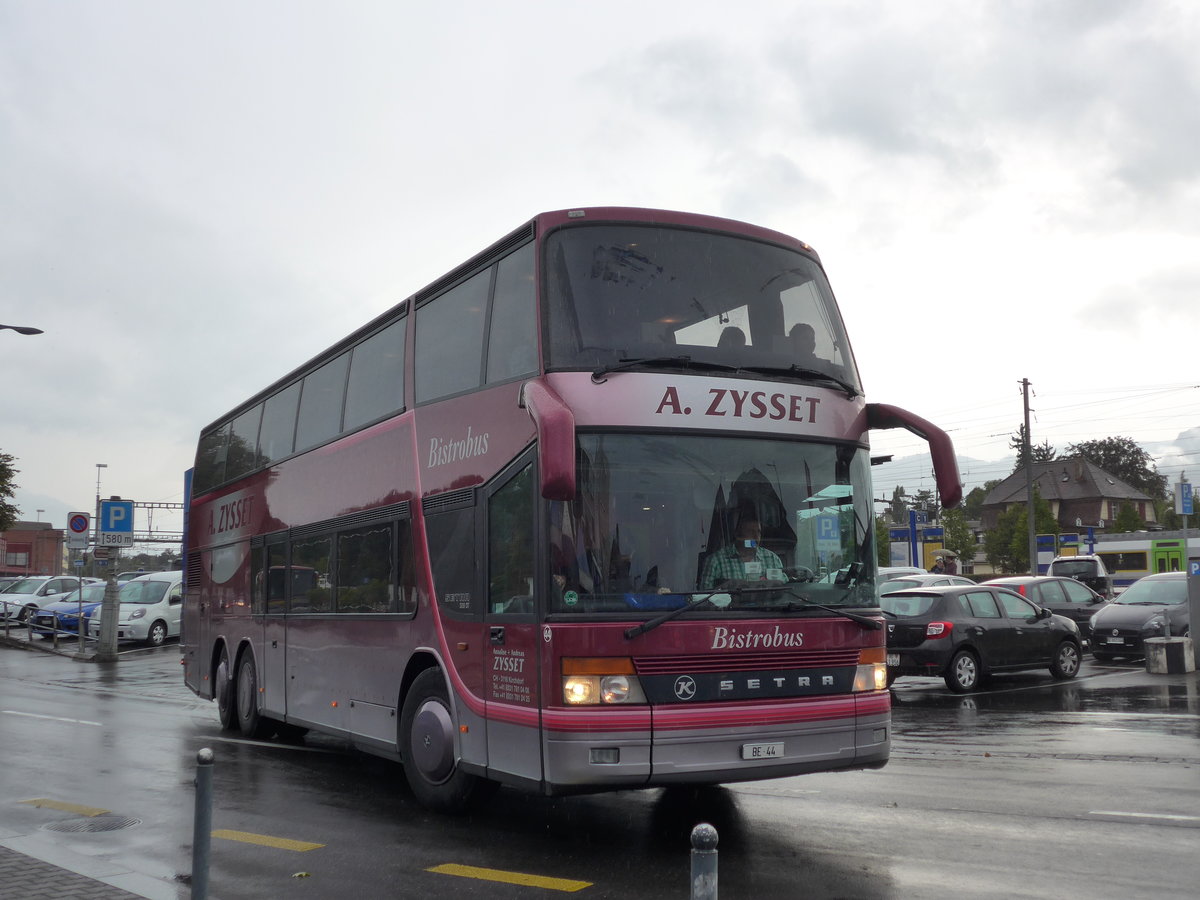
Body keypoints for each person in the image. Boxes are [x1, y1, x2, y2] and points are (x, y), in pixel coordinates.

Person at [700, 517, 785, 589]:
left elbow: (784, 585)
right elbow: (704, 596)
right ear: (738, 535)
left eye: (758, 532)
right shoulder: (715, 561)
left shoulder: (772, 559)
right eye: (751, 532)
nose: (756, 537)